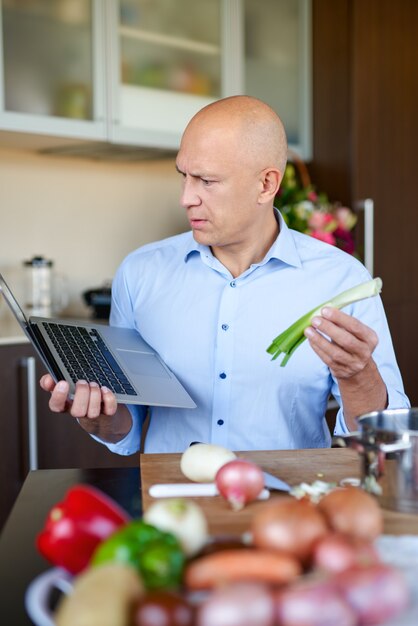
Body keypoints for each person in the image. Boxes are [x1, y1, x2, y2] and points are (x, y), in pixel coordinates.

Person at [40, 95, 409, 454]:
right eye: (183, 176)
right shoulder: (140, 273)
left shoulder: (341, 280)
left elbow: (387, 436)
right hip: (170, 505)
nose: (186, 198)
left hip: (288, 506)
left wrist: (359, 377)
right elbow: (127, 428)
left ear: (266, 184)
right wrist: (98, 418)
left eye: (207, 181)